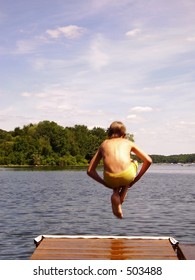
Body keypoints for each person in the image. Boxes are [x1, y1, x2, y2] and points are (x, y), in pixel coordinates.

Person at [87, 121, 152, 219]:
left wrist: (105, 183)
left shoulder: (104, 144)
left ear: (108, 133)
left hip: (110, 178)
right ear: (124, 135)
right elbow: (148, 160)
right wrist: (135, 180)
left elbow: (90, 170)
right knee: (133, 161)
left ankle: (116, 193)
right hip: (127, 176)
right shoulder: (128, 142)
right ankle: (123, 193)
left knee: (113, 174)